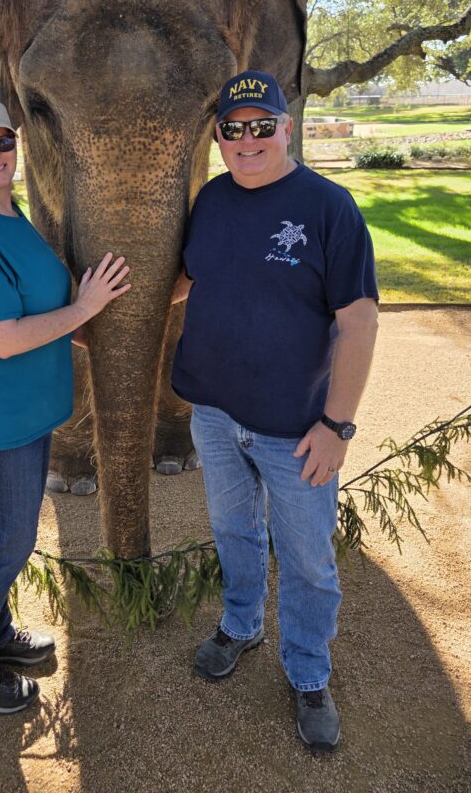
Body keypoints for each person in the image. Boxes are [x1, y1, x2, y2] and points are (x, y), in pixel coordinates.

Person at [171, 70, 378, 751]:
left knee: (309, 557)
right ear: (220, 136)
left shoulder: (329, 208)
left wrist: (337, 424)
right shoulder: (210, 202)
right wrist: (98, 309)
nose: (248, 139)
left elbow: (358, 323)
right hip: (215, 415)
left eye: (264, 125)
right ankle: (241, 624)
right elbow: (188, 278)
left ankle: (309, 671)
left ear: (288, 128)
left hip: (298, 430)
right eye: (234, 128)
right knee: (234, 533)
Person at [0, 96, 130, 716]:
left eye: (4, 142)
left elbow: (30, 305)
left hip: (18, 415)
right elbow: (2, 337)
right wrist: (85, 310)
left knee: (0, 534)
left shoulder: (6, 213)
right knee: (6, 544)